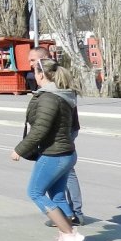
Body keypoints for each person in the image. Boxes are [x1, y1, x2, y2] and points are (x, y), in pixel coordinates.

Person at [12, 57, 83, 241]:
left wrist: (20, 149)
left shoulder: (49, 97)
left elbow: (40, 129)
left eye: (34, 71)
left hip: (54, 154)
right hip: (66, 152)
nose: (33, 76)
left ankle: (69, 235)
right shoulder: (62, 94)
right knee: (58, 197)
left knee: (35, 192)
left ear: (41, 74)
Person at [28, 48, 84, 227]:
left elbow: (42, 126)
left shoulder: (53, 89)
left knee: (38, 190)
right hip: (61, 135)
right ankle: (67, 222)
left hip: (60, 137)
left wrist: (21, 149)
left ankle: (73, 216)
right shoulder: (53, 85)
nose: (30, 64)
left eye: (33, 60)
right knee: (58, 186)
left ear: (44, 61)